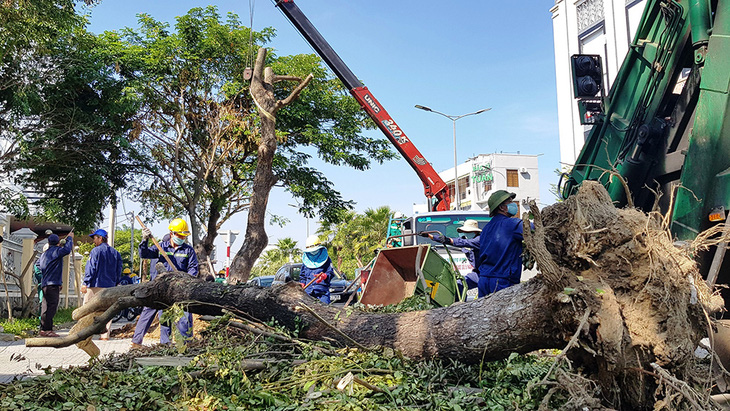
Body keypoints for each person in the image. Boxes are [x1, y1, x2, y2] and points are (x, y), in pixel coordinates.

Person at [132, 218, 199, 348]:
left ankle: (186, 344)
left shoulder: (188, 251)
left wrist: (186, 280)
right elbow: (144, 254)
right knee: (150, 312)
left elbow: (193, 269)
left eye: (184, 236)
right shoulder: (160, 247)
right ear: (172, 233)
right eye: (179, 235)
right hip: (159, 287)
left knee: (184, 316)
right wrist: (144, 240)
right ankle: (138, 342)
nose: (182, 238)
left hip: (179, 288)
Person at [475, 190, 524, 297]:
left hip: (484, 279)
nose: (514, 205)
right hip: (502, 280)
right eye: (510, 202)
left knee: (483, 312)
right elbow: (534, 230)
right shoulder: (512, 224)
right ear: (502, 207)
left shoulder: (486, 228)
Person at [82, 229, 123, 340]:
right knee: (107, 310)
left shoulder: (96, 251)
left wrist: (85, 282)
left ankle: (85, 333)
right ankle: (105, 335)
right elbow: (119, 270)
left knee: (87, 308)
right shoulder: (115, 253)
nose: (94, 241)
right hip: (110, 285)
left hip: (95, 284)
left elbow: (91, 268)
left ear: (100, 238)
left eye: (95, 238)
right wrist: (116, 282)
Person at [419, 219, 482, 291]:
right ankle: (461, 302)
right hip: (477, 273)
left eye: (467, 232)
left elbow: (461, 242)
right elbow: (457, 240)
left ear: (475, 232)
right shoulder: (466, 239)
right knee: (458, 285)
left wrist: (447, 240)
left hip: (487, 274)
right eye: (464, 232)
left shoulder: (479, 240)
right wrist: (430, 236)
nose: (464, 233)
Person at [37, 232, 74, 337]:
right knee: (51, 307)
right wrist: (70, 238)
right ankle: (48, 329)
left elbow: (39, 265)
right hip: (52, 285)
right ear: (58, 242)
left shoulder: (44, 254)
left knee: (45, 307)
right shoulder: (56, 252)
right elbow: (67, 250)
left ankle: (43, 329)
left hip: (45, 284)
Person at [299, 235, 334, 304]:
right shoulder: (306, 261)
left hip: (322, 293)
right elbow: (302, 276)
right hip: (308, 293)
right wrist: (302, 283)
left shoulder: (326, 259)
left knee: (325, 312)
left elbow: (331, 273)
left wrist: (325, 276)